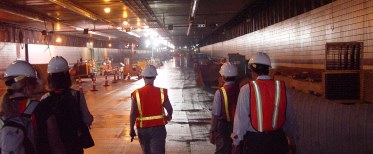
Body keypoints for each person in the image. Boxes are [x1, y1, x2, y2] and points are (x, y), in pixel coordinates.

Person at [231, 52, 296, 154]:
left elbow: (241, 120)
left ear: (252, 70)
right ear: (268, 69)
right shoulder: (282, 89)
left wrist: (236, 143)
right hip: (278, 141)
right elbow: (290, 117)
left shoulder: (247, 89)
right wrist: (292, 139)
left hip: (256, 143)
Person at [36, 56, 94, 154]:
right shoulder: (77, 95)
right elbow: (87, 119)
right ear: (67, 75)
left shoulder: (45, 99)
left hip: (53, 147)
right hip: (74, 145)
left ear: (50, 78)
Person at [130, 65, 173, 154]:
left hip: (142, 129)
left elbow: (133, 113)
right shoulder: (161, 92)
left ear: (143, 77)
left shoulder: (136, 93)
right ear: (155, 77)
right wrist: (169, 116)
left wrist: (131, 128)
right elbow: (169, 108)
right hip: (158, 129)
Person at [0, 60, 42, 154]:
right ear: (27, 86)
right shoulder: (39, 108)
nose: (34, 87)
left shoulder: (2, 109)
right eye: (33, 84)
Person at [209, 62, 239, 153]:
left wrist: (212, 131)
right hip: (238, 126)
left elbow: (215, 115)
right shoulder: (241, 89)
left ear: (223, 77)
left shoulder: (220, 92)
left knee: (222, 150)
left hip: (223, 128)